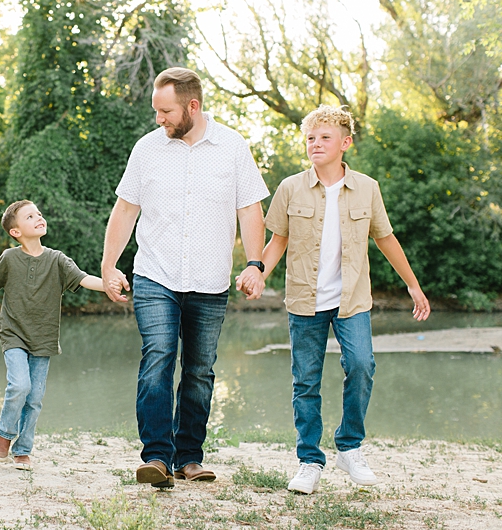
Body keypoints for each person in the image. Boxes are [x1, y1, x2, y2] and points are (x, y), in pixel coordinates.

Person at [244, 105, 430, 495]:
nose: (315, 144)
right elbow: (277, 240)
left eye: (325, 137)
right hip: (304, 301)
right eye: (310, 138)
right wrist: (259, 273)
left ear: (345, 143)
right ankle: (309, 460)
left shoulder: (367, 187)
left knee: (362, 365)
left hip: (352, 300)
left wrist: (412, 284)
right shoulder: (290, 187)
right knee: (306, 382)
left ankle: (350, 446)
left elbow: (385, 238)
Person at [101, 67, 271, 488]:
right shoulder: (147, 149)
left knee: (198, 370)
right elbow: (125, 210)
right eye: (156, 110)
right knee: (158, 356)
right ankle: (157, 457)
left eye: (166, 111)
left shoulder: (232, 146)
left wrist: (255, 263)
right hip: (155, 274)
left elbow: (249, 209)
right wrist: (108, 266)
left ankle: (189, 456)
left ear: (192, 106)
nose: (159, 119)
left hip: (210, 281)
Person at [0, 200, 105, 471]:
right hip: (14, 334)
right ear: (15, 232)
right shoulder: (9, 259)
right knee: (20, 386)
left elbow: (83, 279)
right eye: (30, 216)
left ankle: (23, 450)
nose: (39, 218)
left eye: (39, 214)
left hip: (43, 337)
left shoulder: (57, 260)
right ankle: (4, 435)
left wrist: (109, 287)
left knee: (34, 398)